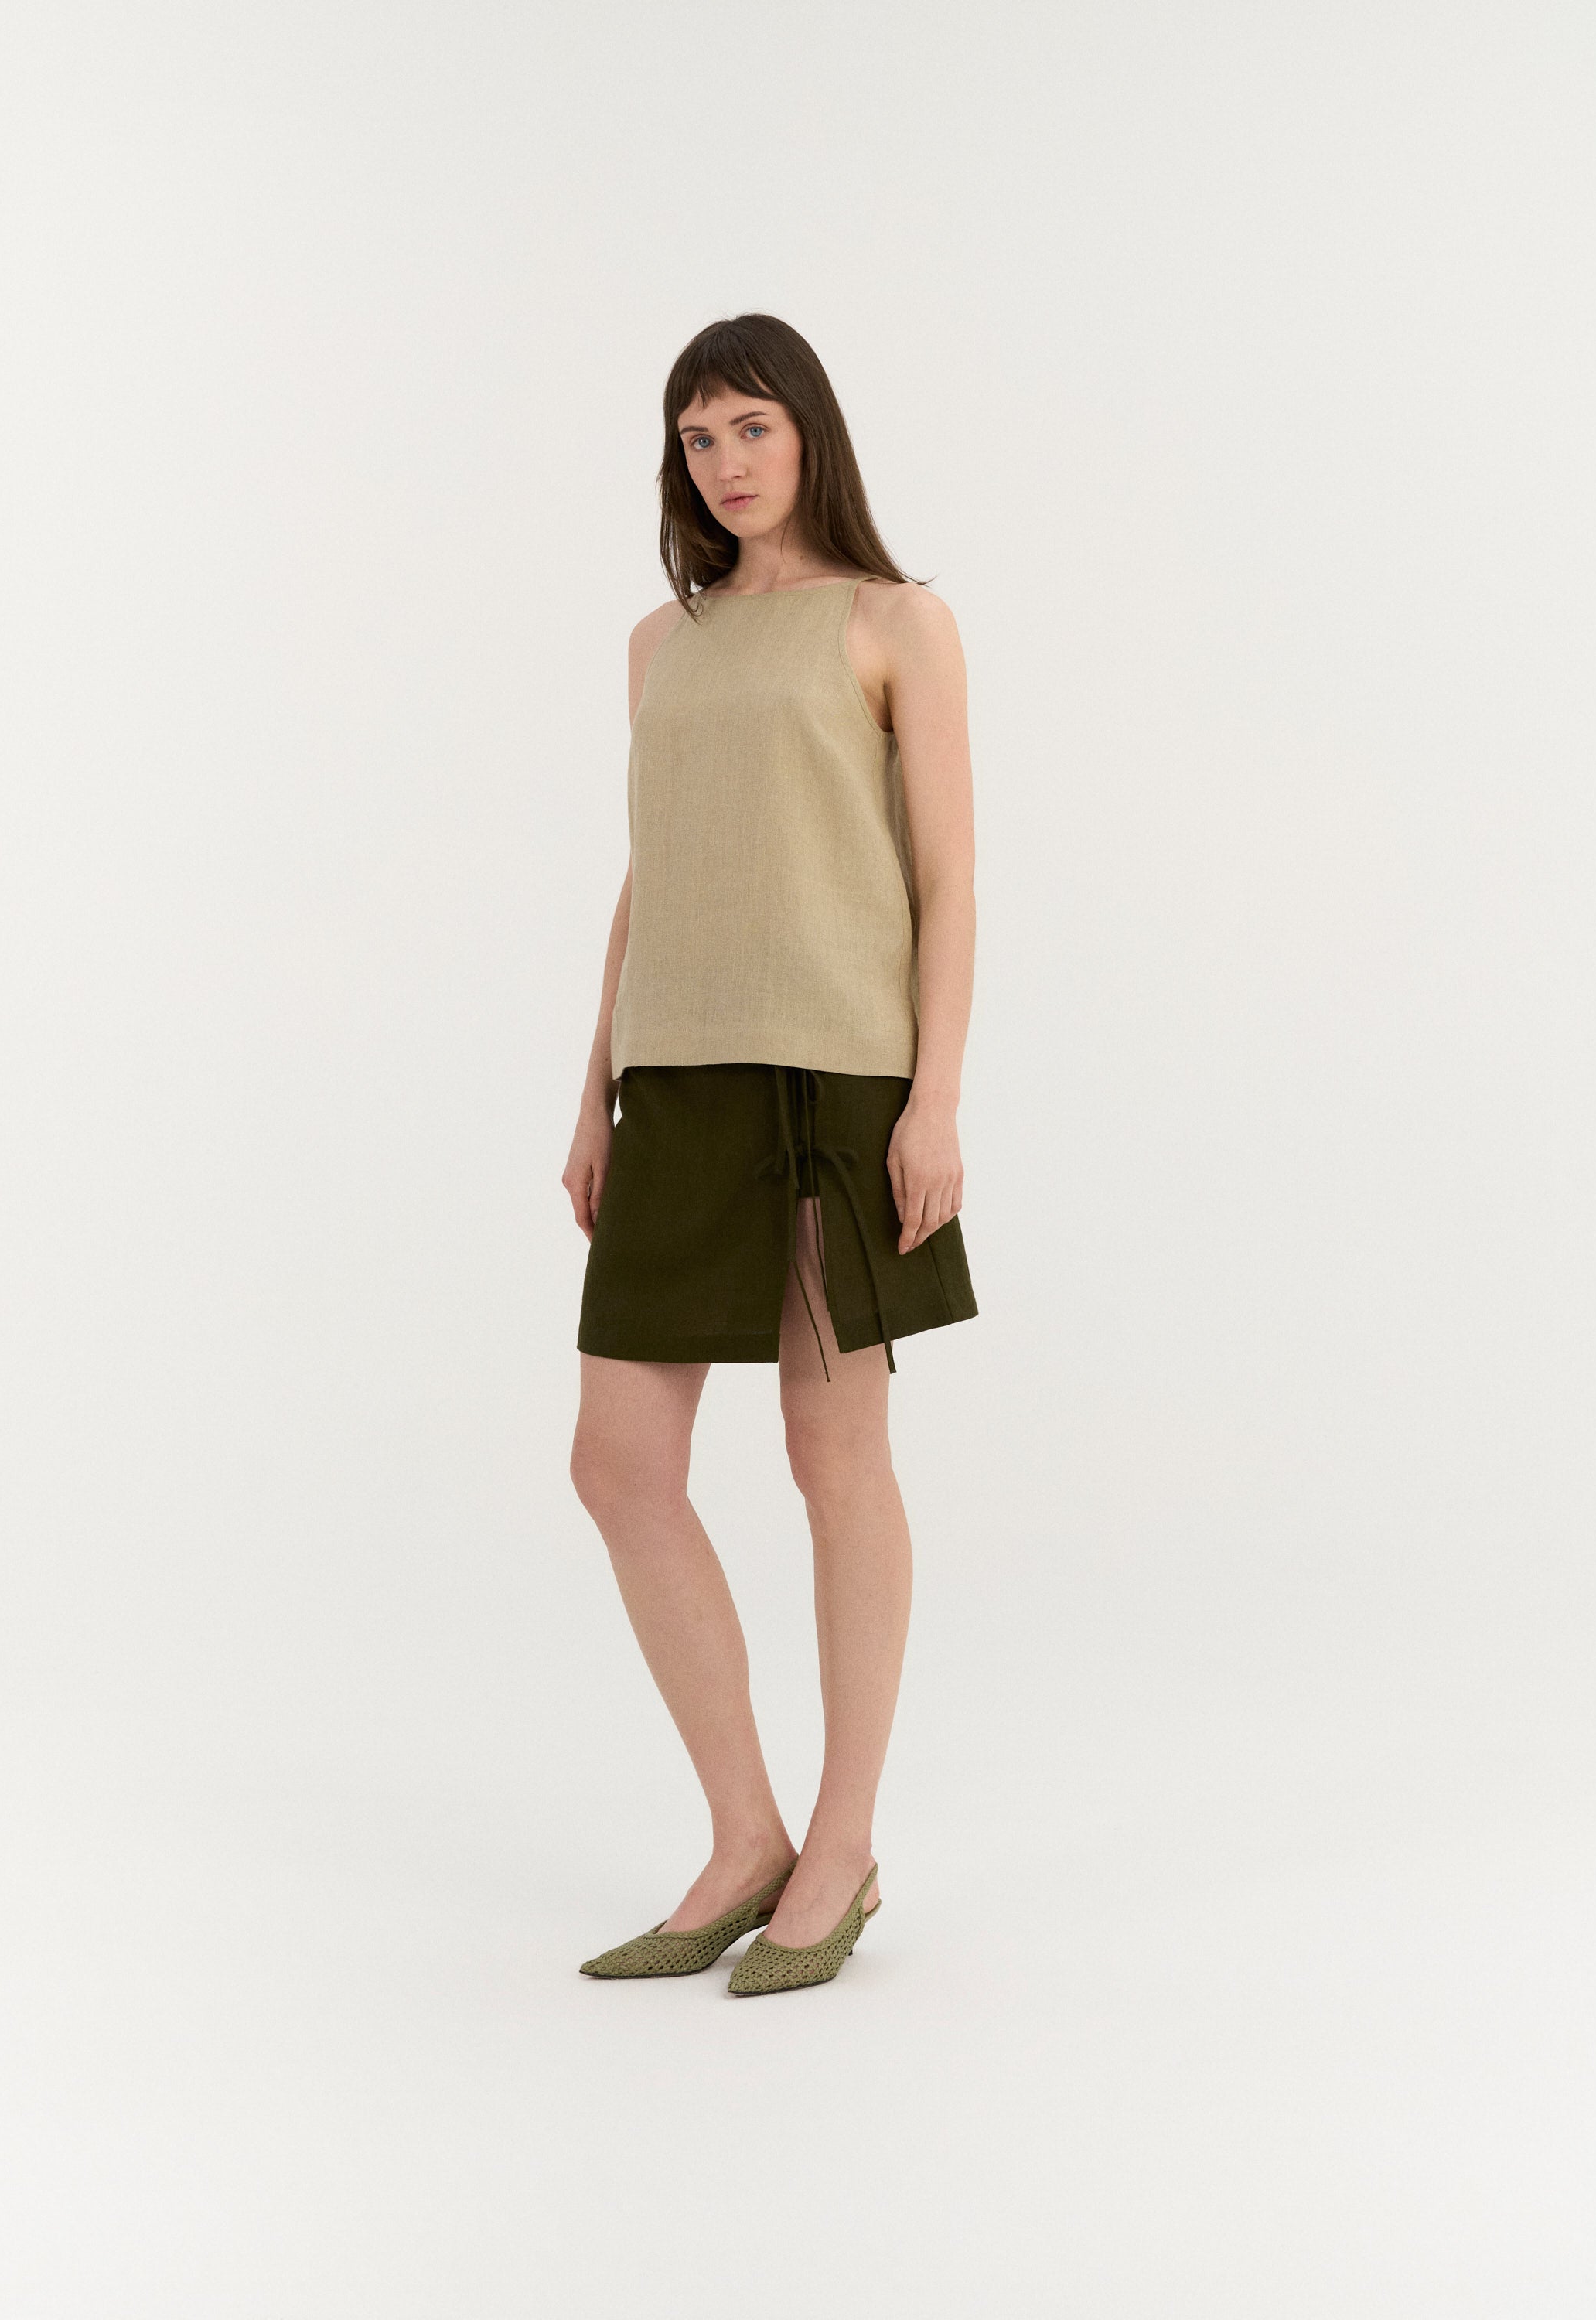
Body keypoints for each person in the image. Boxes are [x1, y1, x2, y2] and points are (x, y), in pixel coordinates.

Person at [562, 312, 979, 1997]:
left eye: (751, 426)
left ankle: (844, 1842)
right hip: (675, 1079)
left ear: (809, 432)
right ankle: (746, 1837)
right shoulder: (660, 643)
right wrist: (594, 1086)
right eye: (698, 436)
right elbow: (651, 870)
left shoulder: (895, 620)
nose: (726, 462)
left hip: (836, 1079)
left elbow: (948, 876)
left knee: (832, 1453)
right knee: (617, 1463)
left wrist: (935, 1098)